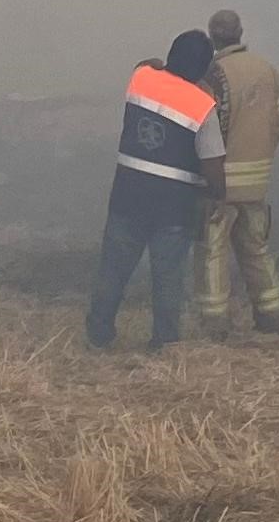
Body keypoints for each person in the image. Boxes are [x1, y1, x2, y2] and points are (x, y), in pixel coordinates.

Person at [85, 29, 225, 351]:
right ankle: (164, 342)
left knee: (113, 268)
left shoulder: (142, 79)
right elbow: (213, 163)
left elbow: (145, 63)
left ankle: (98, 333)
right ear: (204, 68)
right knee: (168, 277)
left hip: (128, 194)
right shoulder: (204, 107)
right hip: (173, 205)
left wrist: (159, 65)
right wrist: (219, 195)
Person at [197, 7, 279, 336]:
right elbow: (278, 123)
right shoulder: (267, 70)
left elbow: (208, 130)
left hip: (221, 184)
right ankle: (272, 317)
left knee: (212, 253)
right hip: (257, 182)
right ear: (240, 32)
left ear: (212, 36)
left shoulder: (214, 74)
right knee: (257, 251)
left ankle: (215, 323)